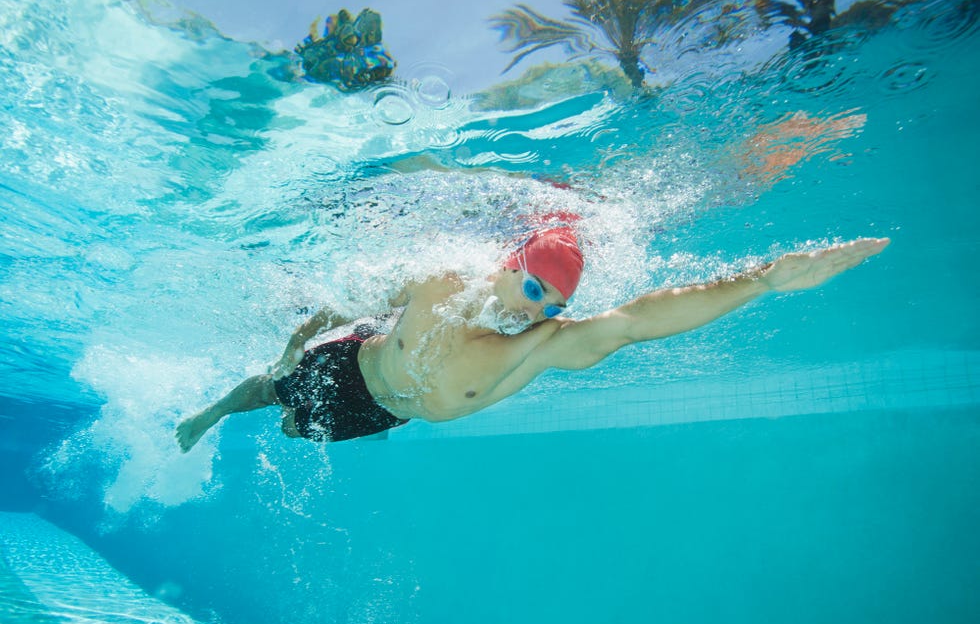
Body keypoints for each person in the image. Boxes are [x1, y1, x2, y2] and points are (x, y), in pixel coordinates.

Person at [175, 226, 889, 451]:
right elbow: (341, 297)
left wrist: (764, 279)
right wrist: (295, 340)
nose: (540, 306)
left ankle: (278, 408)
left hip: (390, 411)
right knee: (278, 393)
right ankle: (210, 412)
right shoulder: (439, 283)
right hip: (355, 365)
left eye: (554, 300)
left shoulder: (538, 346)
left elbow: (637, 321)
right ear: (509, 263)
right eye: (534, 286)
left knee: (297, 432)